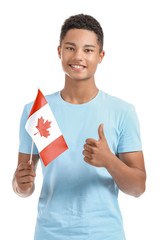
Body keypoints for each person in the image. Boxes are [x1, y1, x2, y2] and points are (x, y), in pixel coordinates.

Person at [12, 14, 146, 240]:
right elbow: (22, 185)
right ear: (59, 51)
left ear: (101, 56)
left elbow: (138, 188)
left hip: (105, 234)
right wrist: (20, 184)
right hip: (49, 234)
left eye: (88, 50)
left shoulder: (123, 111)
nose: (78, 57)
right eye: (70, 48)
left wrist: (109, 160)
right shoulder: (36, 111)